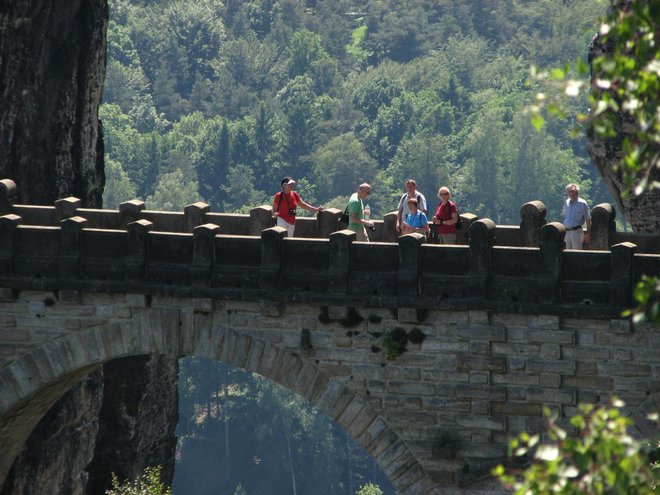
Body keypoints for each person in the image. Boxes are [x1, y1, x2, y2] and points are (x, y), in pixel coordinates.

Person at [562, 183, 591, 250]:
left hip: (577, 232)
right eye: (571, 191)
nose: (573, 193)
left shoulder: (582, 203)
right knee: (567, 253)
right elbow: (565, 216)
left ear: (578, 192)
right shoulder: (566, 202)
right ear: (567, 193)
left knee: (577, 253)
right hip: (567, 232)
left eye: (575, 191)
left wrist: (588, 233)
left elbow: (588, 219)